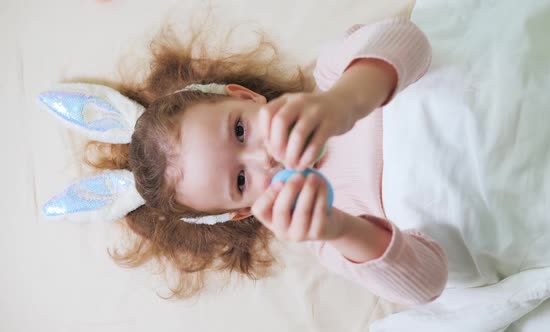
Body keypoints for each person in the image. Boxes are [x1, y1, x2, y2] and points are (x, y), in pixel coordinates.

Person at [40, 16, 448, 305]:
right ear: (242, 212)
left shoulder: (332, 78)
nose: (262, 158)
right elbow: (430, 282)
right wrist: (339, 227)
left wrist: (343, 102)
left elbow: (412, 42)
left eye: (239, 131)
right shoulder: (327, 233)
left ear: (244, 96)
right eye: (240, 180)